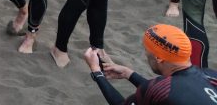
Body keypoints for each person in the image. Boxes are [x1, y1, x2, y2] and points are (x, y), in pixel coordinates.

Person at [85, 24, 217, 104]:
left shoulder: (159, 88)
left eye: (147, 52)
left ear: (158, 58)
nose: (146, 55)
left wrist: (97, 72)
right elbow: (167, 93)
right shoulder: (211, 75)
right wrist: (128, 73)